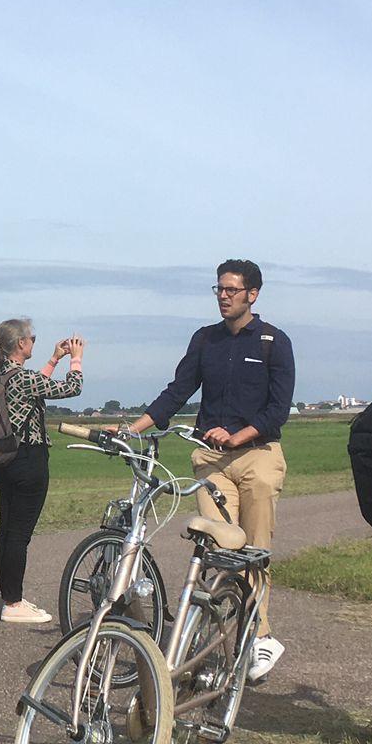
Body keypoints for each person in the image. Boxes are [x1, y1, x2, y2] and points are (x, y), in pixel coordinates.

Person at [130, 259, 295, 680]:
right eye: (219, 289)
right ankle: (213, 635)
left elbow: (278, 410)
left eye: (232, 290)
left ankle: (259, 637)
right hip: (211, 462)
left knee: (254, 551)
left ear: (252, 294)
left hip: (258, 457)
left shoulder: (274, 342)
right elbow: (177, 392)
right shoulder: (205, 340)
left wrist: (237, 436)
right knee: (218, 551)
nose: (224, 296)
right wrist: (132, 428)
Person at [0, 319, 85, 625]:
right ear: (21, 344)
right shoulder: (24, 378)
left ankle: (10, 596)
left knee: (7, 531)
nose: (34, 342)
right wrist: (76, 359)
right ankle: (13, 604)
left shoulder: (0, 375)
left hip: (5, 460)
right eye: (32, 338)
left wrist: (55, 359)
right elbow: (73, 388)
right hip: (29, 460)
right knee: (19, 536)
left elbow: (33, 390)